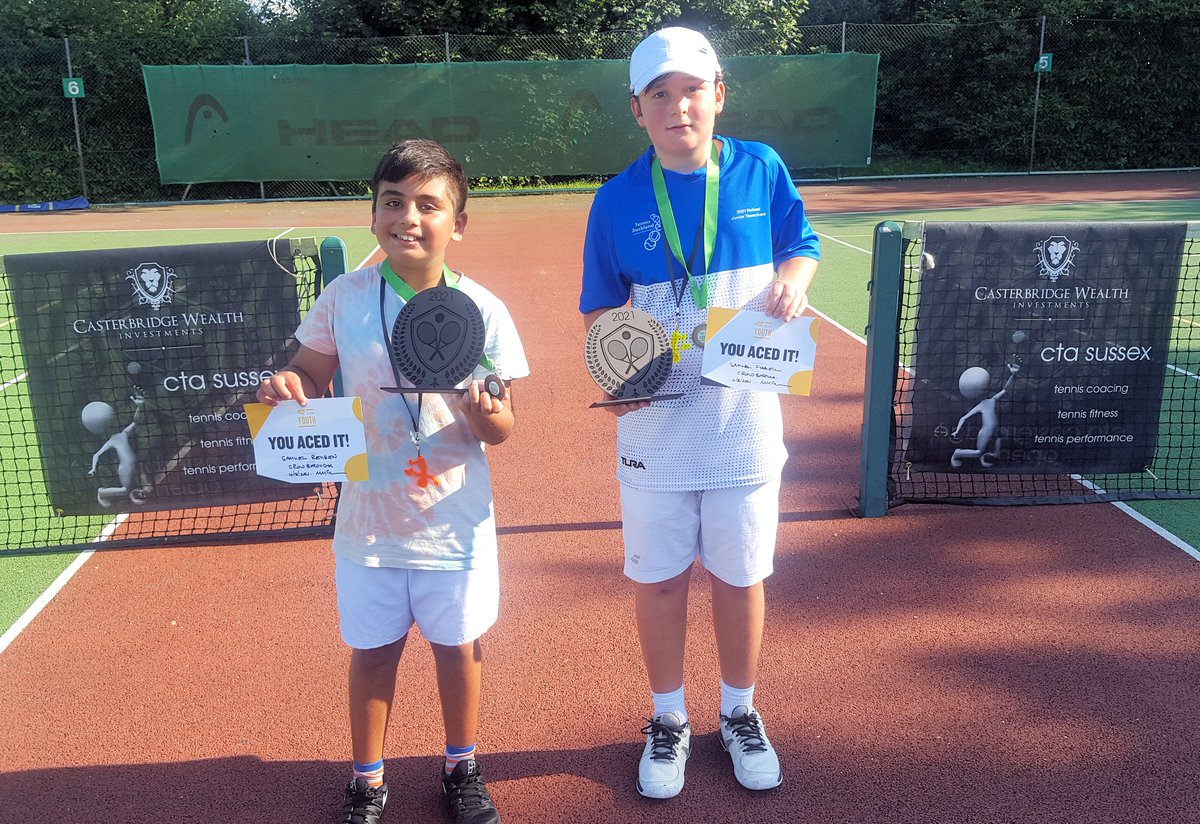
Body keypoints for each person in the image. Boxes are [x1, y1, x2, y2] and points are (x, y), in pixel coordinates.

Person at [578, 27, 820, 799]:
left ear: (718, 94)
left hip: (745, 419)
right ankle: (669, 717)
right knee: (658, 582)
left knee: (741, 577)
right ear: (637, 110)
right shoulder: (616, 201)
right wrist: (620, 374)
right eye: (660, 94)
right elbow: (598, 312)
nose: (678, 105)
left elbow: (802, 242)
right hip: (655, 425)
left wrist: (796, 278)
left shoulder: (761, 168)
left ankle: (740, 712)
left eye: (691, 89)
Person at [257, 139, 528, 824]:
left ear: (457, 223)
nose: (409, 217)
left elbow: (502, 427)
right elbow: (310, 373)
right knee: (372, 653)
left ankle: (461, 766)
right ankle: (367, 779)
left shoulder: (483, 310)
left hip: (454, 521)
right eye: (393, 201)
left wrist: (487, 413)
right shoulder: (345, 297)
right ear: (373, 213)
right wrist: (292, 384)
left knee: (459, 650)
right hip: (369, 523)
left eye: (429, 205)